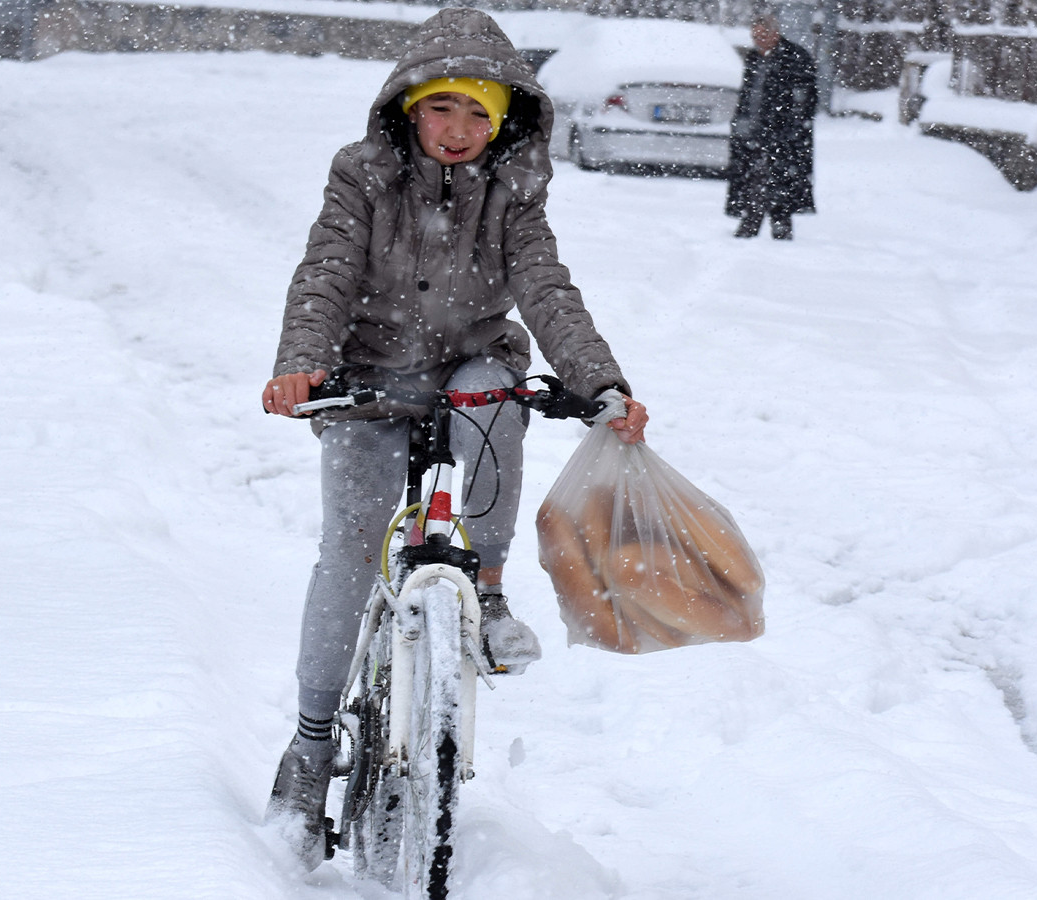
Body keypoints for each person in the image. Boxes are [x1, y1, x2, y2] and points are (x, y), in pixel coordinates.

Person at [260, 7, 649, 868]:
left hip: (469, 362)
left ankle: (491, 586)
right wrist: (303, 364)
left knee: (494, 395)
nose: (461, 130)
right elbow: (326, 269)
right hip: (364, 380)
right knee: (352, 551)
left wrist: (600, 380)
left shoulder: (514, 192)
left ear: (504, 123)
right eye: (444, 108)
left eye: (480, 114)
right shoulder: (362, 176)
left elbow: (547, 287)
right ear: (410, 107)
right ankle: (312, 743)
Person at [725, 14, 818, 240]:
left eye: (762, 35)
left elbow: (805, 99)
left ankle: (762, 228)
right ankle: (761, 227)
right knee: (754, 180)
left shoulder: (795, 57)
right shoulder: (754, 59)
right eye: (754, 36)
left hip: (783, 136)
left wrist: (788, 127)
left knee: (776, 182)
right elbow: (748, 96)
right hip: (753, 132)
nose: (758, 40)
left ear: (775, 33)